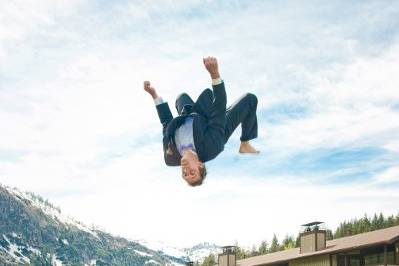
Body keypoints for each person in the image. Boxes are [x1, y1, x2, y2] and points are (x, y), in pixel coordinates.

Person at [143, 56, 259, 187]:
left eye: (185, 175)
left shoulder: (170, 157)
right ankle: (245, 143)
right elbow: (219, 109)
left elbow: (166, 123)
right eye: (192, 172)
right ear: (200, 165)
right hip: (216, 129)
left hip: (194, 117)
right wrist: (214, 74)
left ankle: (191, 112)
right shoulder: (211, 147)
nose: (186, 171)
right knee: (250, 99)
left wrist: (154, 95)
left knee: (181, 97)